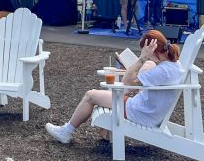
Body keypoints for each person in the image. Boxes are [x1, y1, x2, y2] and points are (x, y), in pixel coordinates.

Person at [45, 29, 184, 144]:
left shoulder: (162, 71)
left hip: (140, 113)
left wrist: (142, 58)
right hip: (146, 110)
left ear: (152, 50)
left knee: (90, 95)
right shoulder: (173, 65)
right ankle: (105, 134)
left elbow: (127, 81)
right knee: (100, 96)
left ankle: (66, 132)